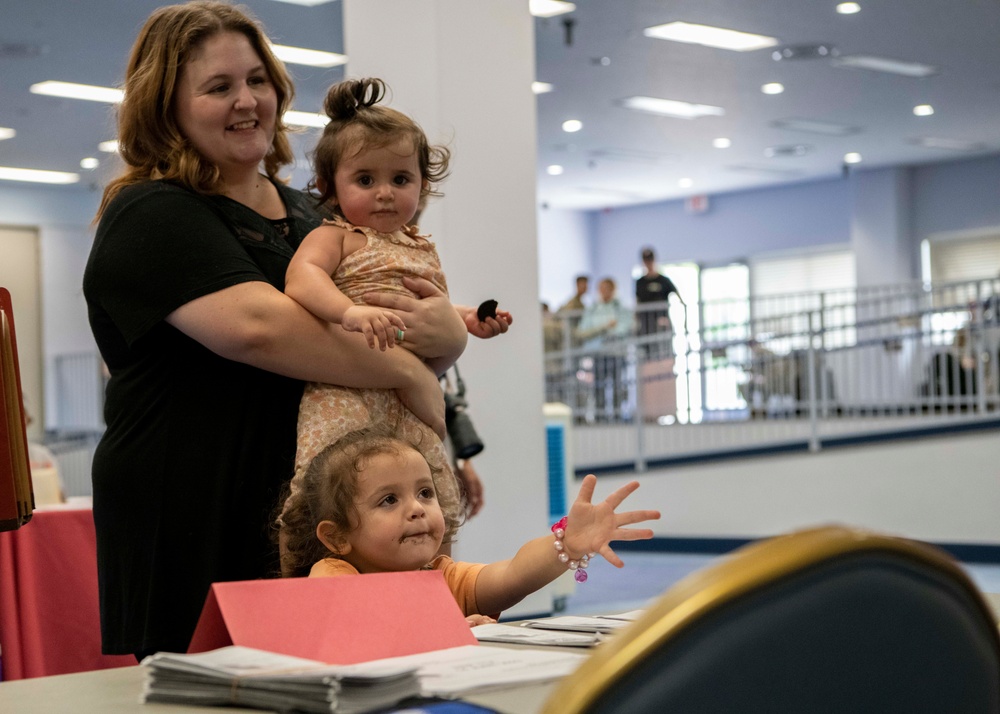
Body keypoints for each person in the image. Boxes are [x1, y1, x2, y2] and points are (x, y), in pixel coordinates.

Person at [82, 2, 501, 660]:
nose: (247, 100)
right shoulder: (151, 211)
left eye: (258, 80)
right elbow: (259, 330)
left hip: (318, 497)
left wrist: (445, 340)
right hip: (199, 498)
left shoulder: (321, 211)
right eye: (219, 87)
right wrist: (410, 371)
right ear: (167, 106)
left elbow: (411, 319)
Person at [277, 78, 511, 559]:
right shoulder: (336, 237)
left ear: (422, 183)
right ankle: (305, 576)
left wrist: (467, 319)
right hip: (346, 387)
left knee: (428, 491)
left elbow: (426, 309)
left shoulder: (419, 245)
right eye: (365, 180)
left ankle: (439, 582)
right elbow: (301, 281)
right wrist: (350, 311)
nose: (384, 193)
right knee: (326, 487)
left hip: (409, 398)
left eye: (400, 180)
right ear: (329, 186)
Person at [279, 425, 660, 622]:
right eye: (389, 500)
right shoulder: (332, 576)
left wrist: (567, 544)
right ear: (337, 536)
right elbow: (368, 629)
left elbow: (512, 575)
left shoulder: (439, 576)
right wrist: (449, 630)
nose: (416, 509)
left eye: (425, 493)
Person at [577, 277, 634, 420]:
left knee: (617, 385)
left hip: (617, 353)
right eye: (601, 288)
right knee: (599, 386)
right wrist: (605, 327)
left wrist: (608, 330)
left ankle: (616, 415)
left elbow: (624, 327)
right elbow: (583, 330)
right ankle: (600, 417)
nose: (604, 292)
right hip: (599, 353)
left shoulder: (621, 309)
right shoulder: (593, 309)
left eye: (607, 288)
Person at [635, 247, 684, 359]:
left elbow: (677, 294)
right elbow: (637, 301)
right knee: (647, 353)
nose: (648, 262)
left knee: (664, 351)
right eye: (646, 260)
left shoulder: (664, 280)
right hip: (646, 324)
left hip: (662, 321)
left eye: (650, 259)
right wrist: (636, 320)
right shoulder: (640, 282)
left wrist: (683, 311)